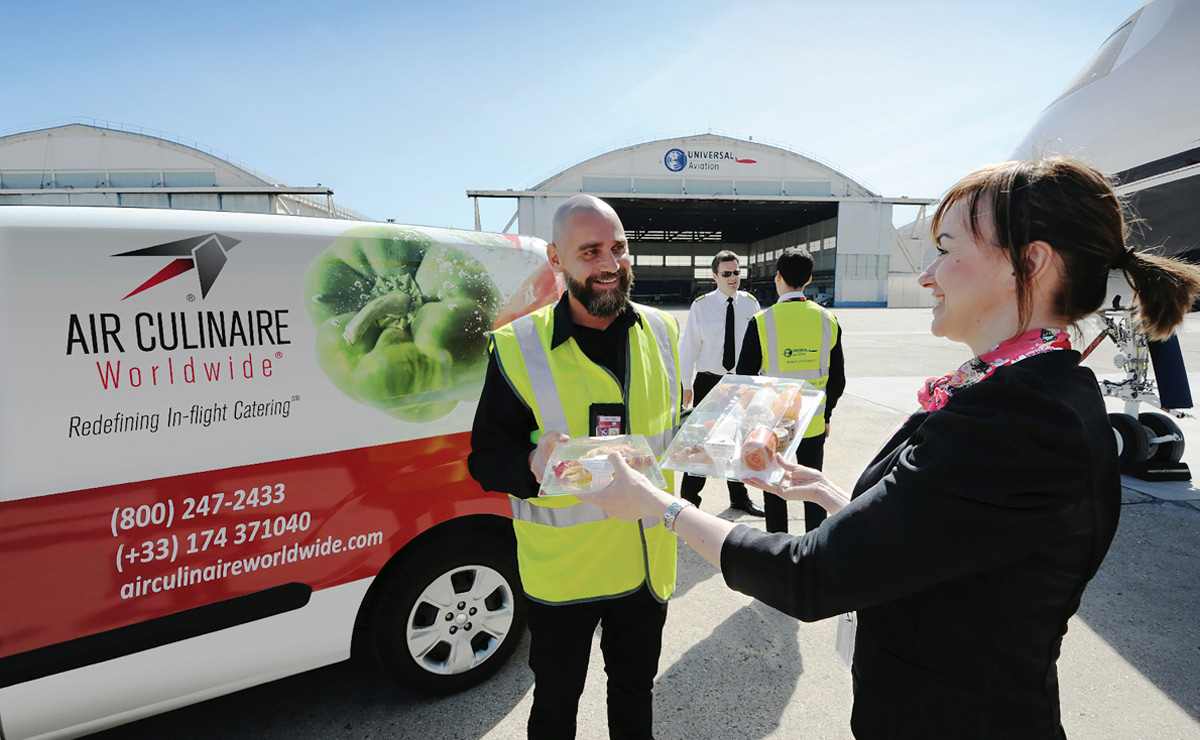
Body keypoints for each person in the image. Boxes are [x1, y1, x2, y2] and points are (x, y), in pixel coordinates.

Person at [575, 158, 1200, 739]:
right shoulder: (1029, 388)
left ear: (1028, 264)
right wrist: (821, 490)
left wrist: (660, 506)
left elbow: (812, 576)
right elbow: (943, 533)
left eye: (946, 250)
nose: (926, 275)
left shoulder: (1022, 415)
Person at [468, 194, 681, 740]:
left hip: (644, 566)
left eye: (619, 248)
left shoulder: (662, 332)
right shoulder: (518, 347)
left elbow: (676, 431)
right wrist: (531, 464)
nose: (611, 265)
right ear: (556, 258)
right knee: (557, 701)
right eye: (591, 252)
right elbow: (486, 460)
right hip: (564, 575)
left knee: (635, 693)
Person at [735, 247, 844, 533]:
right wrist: (827, 414)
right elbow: (838, 379)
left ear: (778, 277)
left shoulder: (762, 321)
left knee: (773, 488)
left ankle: (777, 550)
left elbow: (743, 378)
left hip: (772, 427)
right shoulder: (828, 320)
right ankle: (816, 545)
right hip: (813, 422)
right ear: (809, 279)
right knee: (812, 487)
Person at [678, 249, 765, 515]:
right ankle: (688, 502)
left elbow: (761, 346)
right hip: (708, 382)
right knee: (700, 444)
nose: (733, 278)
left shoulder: (750, 304)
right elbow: (689, 347)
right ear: (715, 276)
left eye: (737, 272)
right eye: (726, 273)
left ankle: (739, 498)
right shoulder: (702, 305)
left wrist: (762, 383)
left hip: (741, 383)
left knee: (738, 444)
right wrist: (686, 385)